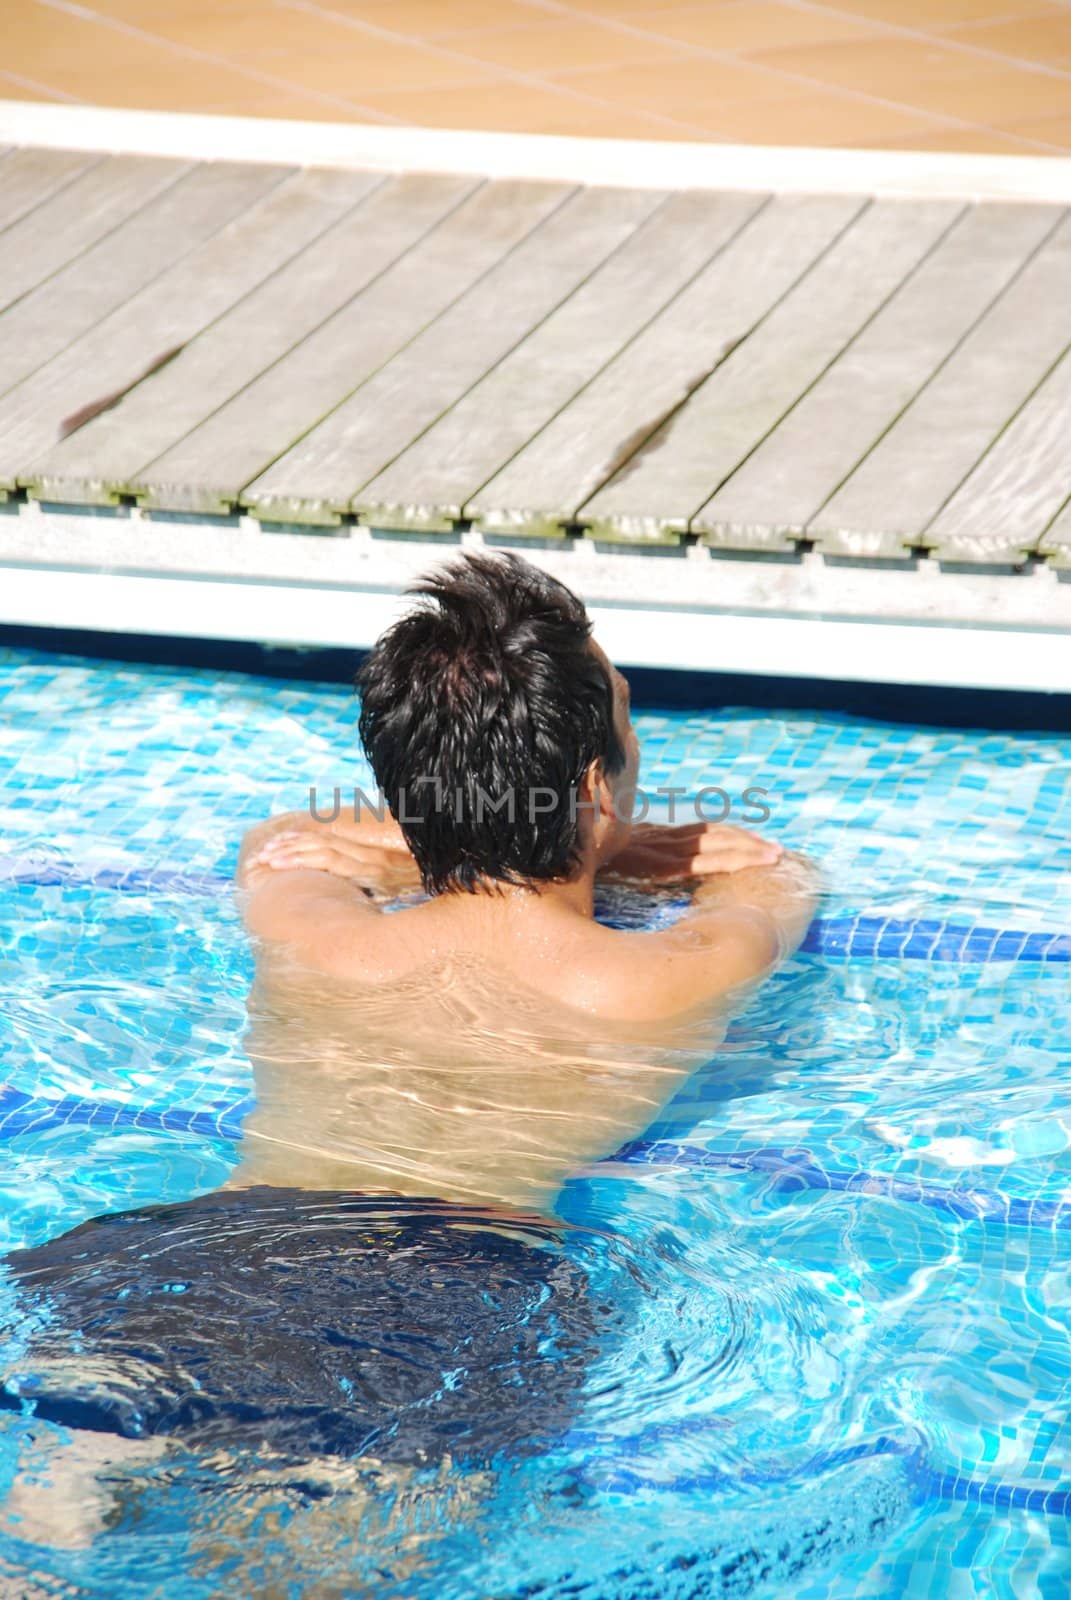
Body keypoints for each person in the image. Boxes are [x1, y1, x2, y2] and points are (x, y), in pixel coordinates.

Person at [0, 552, 818, 1562]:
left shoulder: (316, 935)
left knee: (40, 1547)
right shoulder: (654, 980)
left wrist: (435, 832)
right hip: (442, 1299)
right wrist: (626, 846)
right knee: (282, 1576)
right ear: (599, 788)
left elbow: (283, 841)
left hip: (202, 1260)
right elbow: (773, 883)